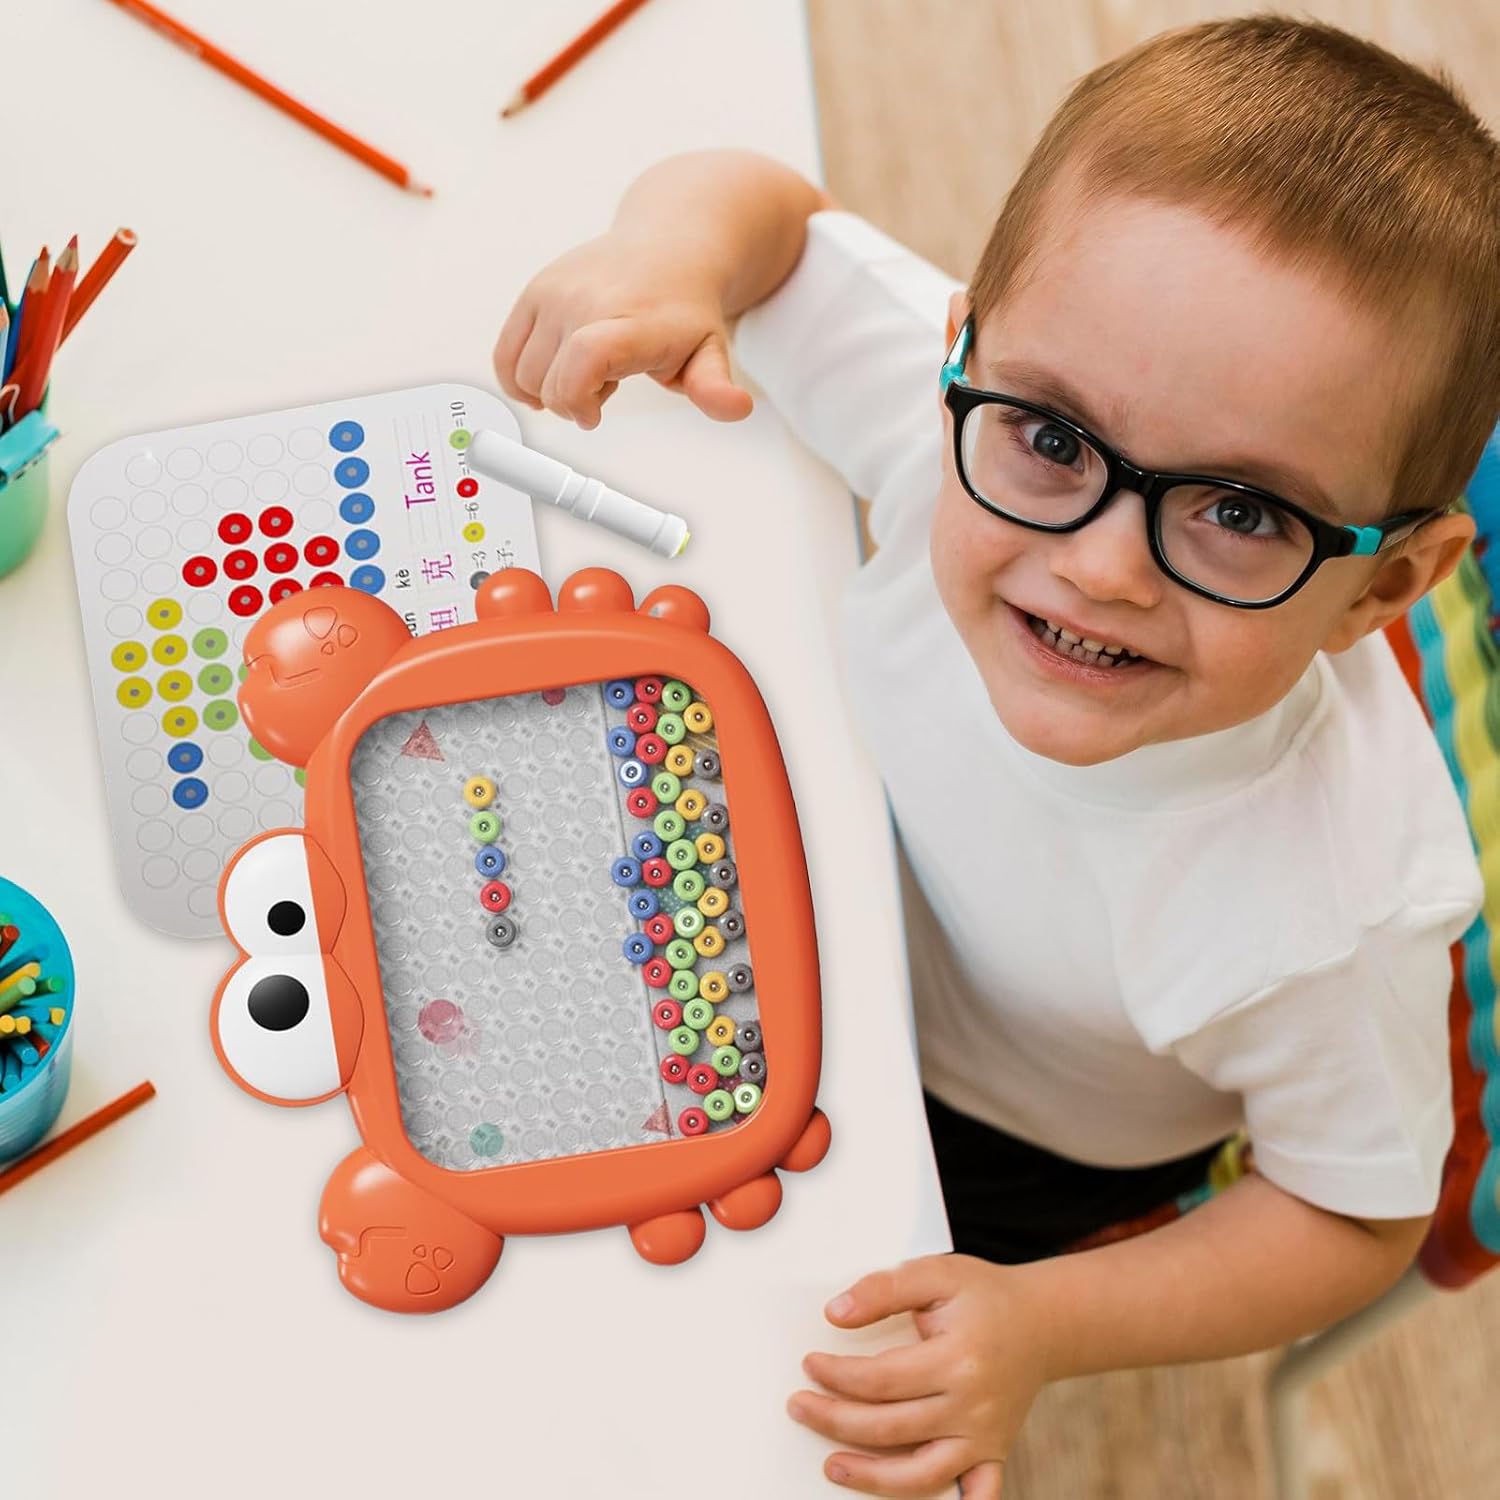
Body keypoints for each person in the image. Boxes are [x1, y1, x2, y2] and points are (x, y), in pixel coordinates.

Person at [493, 17, 1499, 1497]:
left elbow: (1351, 1220)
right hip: (778, 899)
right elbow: (768, 214)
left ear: (1385, 590)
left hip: (1003, 1144)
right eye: (1057, 441)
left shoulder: (1331, 919)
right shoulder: (970, 418)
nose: (1099, 566)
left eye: (1240, 512)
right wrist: (663, 258)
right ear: (963, 356)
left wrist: (1040, 1326)